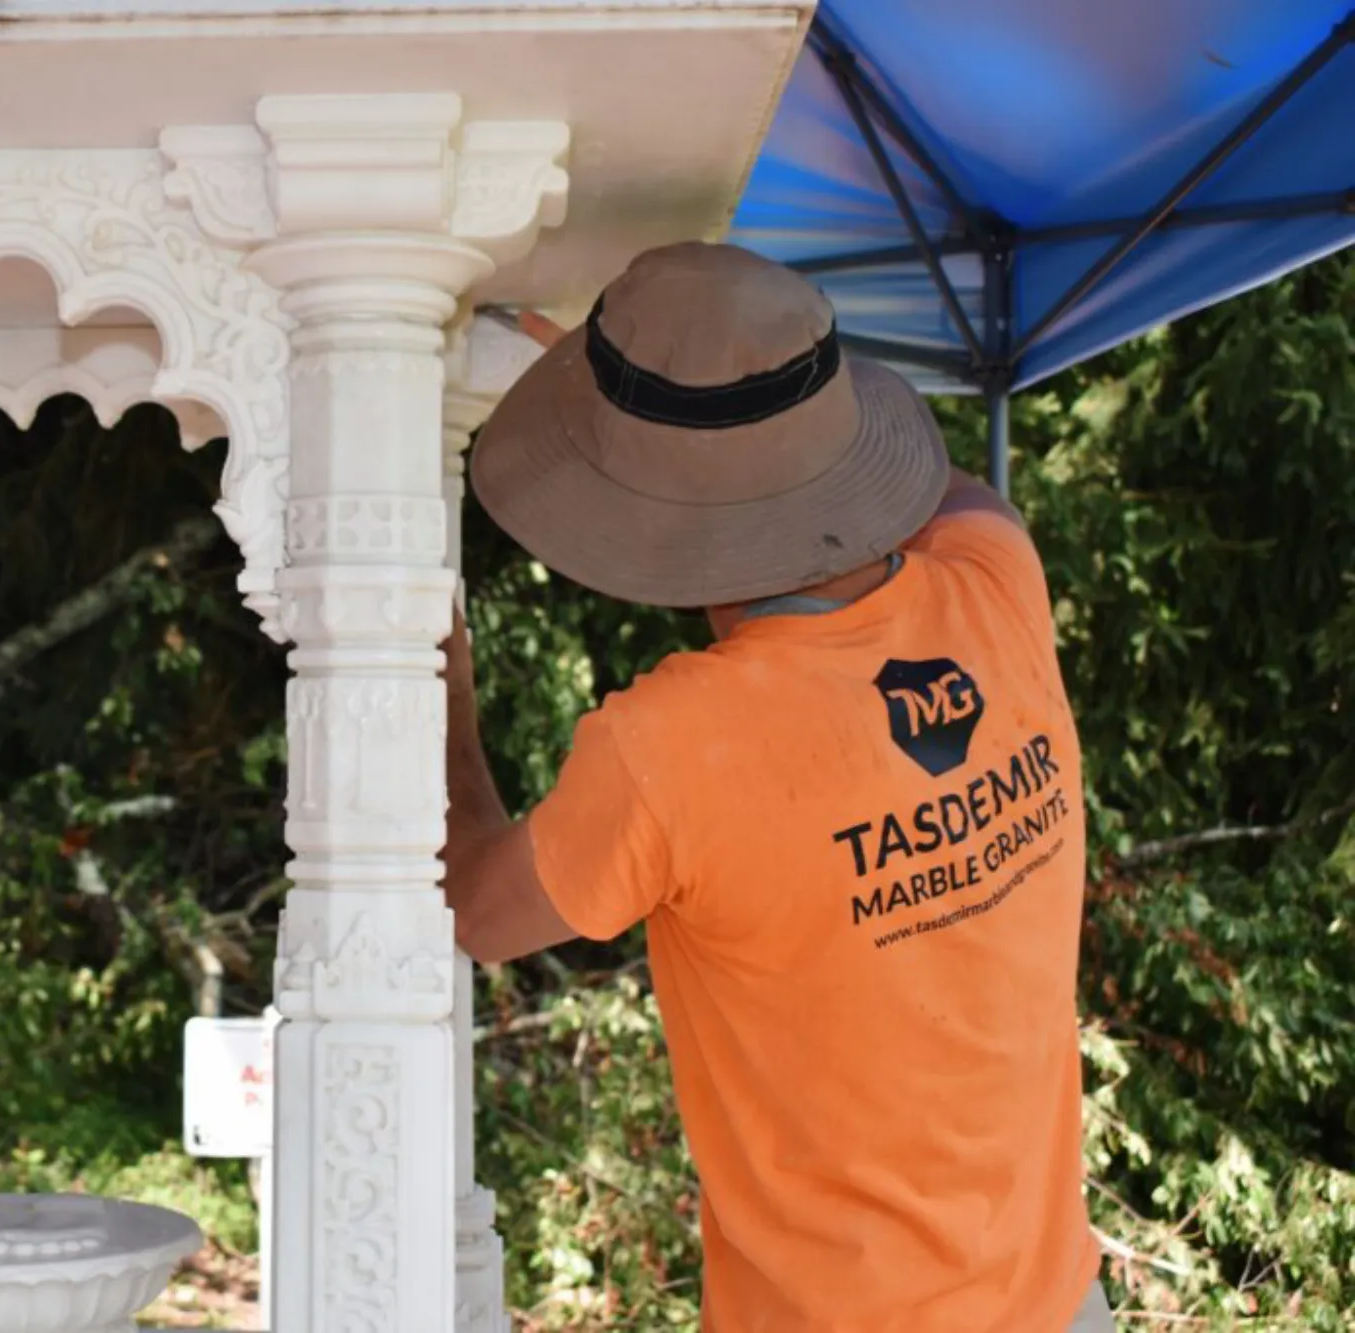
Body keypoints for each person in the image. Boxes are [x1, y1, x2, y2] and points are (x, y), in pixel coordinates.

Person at [441, 242, 1112, 1333]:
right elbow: (943, 489)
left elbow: (475, 908)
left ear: (645, 514)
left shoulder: (670, 747)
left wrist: (441, 693)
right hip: (1058, 1307)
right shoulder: (995, 583)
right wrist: (709, 420)